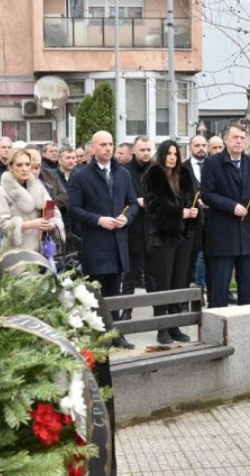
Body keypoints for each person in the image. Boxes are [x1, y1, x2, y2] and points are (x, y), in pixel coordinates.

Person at [68, 130, 139, 348]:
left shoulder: (123, 173)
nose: (108, 148)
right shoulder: (81, 176)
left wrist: (126, 218)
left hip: (118, 241)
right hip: (96, 243)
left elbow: (133, 203)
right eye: (103, 145)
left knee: (114, 291)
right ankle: (98, 337)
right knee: (94, 294)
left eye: (110, 144)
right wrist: (98, 220)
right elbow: (73, 209)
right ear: (93, 148)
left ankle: (115, 334)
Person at [201, 123, 250, 307]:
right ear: (225, 139)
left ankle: (243, 321)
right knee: (220, 287)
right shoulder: (212, 163)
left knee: (247, 287)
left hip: (247, 233)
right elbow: (207, 194)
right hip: (223, 234)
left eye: (242, 138)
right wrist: (231, 206)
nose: (239, 141)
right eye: (235, 137)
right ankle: (218, 321)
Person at [143, 140, 198, 344]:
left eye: (176, 154)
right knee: (163, 284)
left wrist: (193, 212)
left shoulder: (183, 174)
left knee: (179, 282)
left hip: (184, 236)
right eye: (169, 153)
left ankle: (174, 326)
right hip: (163, 237)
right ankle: (162, 328)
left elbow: (191, 199)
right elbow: (154, 210)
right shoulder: (153, 175)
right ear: (162, 154)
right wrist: (179, 213)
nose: (173, 157)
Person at [0, 148, 65, 254]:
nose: (24, 169)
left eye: (27, 164)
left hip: (42, 250)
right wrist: (30, 224)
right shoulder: (1, 192)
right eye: (19, 165)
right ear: (10, 167)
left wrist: (51, 225)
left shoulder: (39, 187)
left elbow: (54, 213)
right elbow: (2, 224)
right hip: (16, 252)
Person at [119, 136, 154, 320]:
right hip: (131, 229)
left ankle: (159, 312)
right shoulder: (124, 171)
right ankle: (126, 311)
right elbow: (119, 198)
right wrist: (134, 201)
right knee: (129, 275)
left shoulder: (156, 170)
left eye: (149, 150)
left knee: (153, 275)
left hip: (152, 229)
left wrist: (149, 201)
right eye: (142, 150)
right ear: (134, 151)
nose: (146, 153)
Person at [184, 135, 209, 294]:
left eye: (204, 145)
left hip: (213, 220)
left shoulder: (213, 166)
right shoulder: (183, 168)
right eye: (197, 145)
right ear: (190, 147)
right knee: (189, 261)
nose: (201, 148)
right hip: (191, 222)